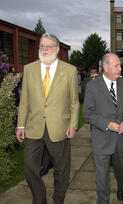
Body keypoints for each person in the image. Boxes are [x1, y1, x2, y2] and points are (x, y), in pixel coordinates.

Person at [16, 33, 80, 204]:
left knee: (61, 169)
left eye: (49, 46)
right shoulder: (29, 69)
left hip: (59, 128)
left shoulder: (69, 71)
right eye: (41, 46)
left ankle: (58, 199)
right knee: (30, 168)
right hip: (33, 127)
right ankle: (39, 199)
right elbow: (24, 101)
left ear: (57, 49)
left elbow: (74, 103)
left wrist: (73, 124)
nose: (44, 49)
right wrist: (20, 125)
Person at [83, 53, 123, 204]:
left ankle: (121, 187)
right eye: (116, 66)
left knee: (122, 171)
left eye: (120, 65)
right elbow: (88, 112)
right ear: (105, 67)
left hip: (122, 140)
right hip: (101, 140)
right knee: (102, 177)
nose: (120, 69)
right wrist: (106, 123)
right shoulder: (92, 86)